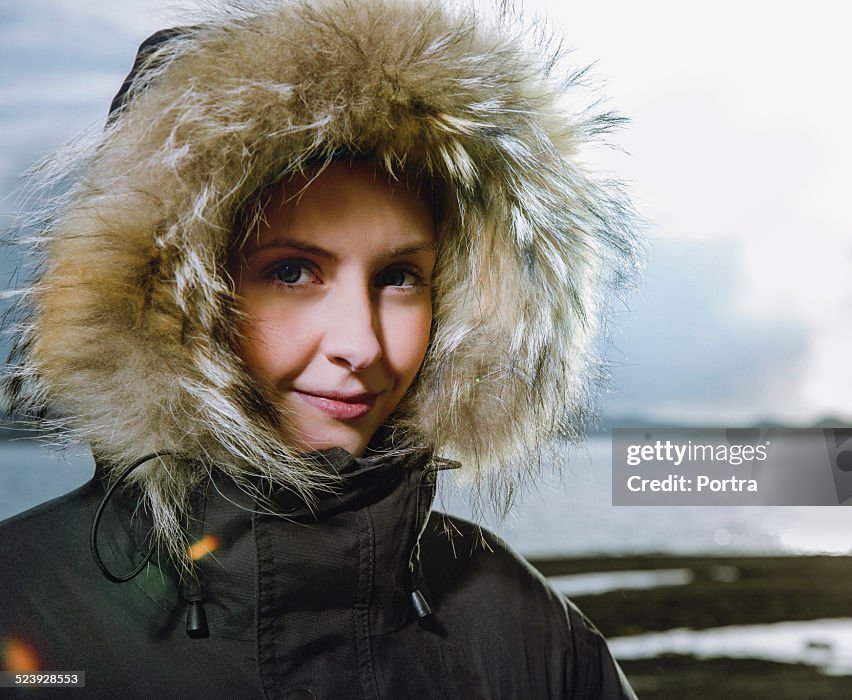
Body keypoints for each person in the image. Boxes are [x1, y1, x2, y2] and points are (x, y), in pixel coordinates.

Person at [0, 0, 642, 697]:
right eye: (292, 272)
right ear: (169, 300)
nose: (360, 345)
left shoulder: (528, 633)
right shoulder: (22, 610)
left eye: (400, 278)